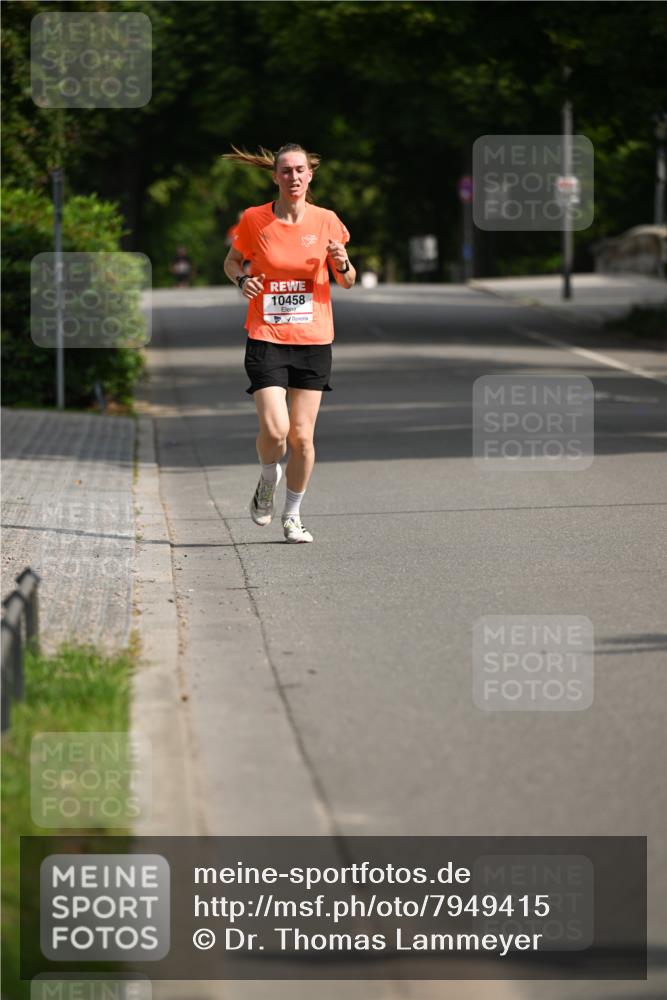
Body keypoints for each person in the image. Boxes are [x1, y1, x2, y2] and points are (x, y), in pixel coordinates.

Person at [222, 143, 355, 543]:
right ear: (275, 176)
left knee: (302, 439)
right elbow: (232, 261)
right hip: (267, 335)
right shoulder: (255, 219)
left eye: (299, 170)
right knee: (276, 432)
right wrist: (243, 280)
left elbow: (347, 280)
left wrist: (342, 261)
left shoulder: (327, 221)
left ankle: (293, 516)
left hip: (314, 340)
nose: (293, 177)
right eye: (285, 171)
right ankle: (268, 479)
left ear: (310, 175)